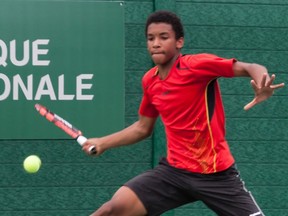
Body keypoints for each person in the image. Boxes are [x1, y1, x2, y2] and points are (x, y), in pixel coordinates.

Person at [82, 10, 285, 216]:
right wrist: (103, 142)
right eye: (150, 38)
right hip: (173, 173)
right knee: (112, 210)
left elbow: (251, 66)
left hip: (216, 175)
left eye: (164, 37)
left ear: (179, 42)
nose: (156, 43)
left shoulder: (196, 66)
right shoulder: (150, 81)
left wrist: (262, 84)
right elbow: (142, 128)